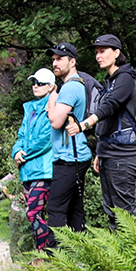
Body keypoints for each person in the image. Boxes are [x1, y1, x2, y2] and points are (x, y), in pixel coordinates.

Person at [84, 34, 136, 230]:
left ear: (117, 53)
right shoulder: (110, 80)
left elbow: (111, 105)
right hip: (108, 152)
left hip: (123, 154)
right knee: (111, 210)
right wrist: (99, 153)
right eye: (96, 53)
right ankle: (120, 257)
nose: (98, 56)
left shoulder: (126, 78)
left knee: (125, 211)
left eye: (103, 51)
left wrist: (87, 123)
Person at [45, 42, 92, 236]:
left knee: (55, 208)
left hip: (69, 158)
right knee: (74, 209)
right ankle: (79, 255)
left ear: (72, 61)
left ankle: (54, 259)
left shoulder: (70, 88)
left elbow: (56, 121)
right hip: (77, 156)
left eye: (59, 59)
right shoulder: (74, 84)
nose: (55, 63)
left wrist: (51, 101)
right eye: (53, 59)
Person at [13, 68, 55, 252]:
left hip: (44, 170)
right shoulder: (29, 108)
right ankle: (44, 254)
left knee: (34, 213)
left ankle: (45, 255)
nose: (35, 86)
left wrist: (24, 154)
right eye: (34, 83)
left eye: (40, 83)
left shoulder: (53, 105)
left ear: (51, 86)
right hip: (28, 171)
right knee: (34, 214)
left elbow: (46, 139)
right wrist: (16, 151)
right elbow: (22, 134)